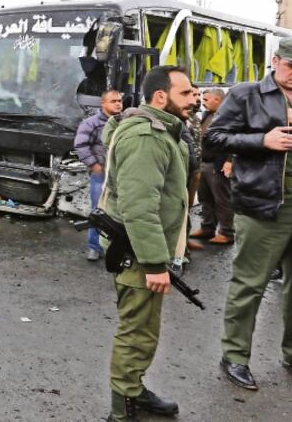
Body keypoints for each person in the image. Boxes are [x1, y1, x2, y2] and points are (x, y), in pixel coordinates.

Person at [206, 37, 292, 390]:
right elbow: (213, 139)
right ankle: (235, 355)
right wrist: (261, 141)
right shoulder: (246, 94)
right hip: (263, 200)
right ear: (275, 61)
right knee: (250, 282)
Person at [102, 65, 194, 421]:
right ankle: (122, 410)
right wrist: (155, 263)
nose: (193, 99)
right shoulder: (147, 136)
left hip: (143, 248)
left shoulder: (162, 130)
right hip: (140, 253)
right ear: (160, 96)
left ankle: (134, 390)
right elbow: (139, 206)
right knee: (136, 333)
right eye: (185, 93)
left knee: (144, 329)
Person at [74, 90, 124, 261]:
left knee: (120, 211)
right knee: (98, 211)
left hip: (120, 175)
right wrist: (94, 165)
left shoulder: (125, 122)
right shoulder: (91, 123)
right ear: (103, 103)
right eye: (113, 101)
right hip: (101, 175)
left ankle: (115, 247)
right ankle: (94, 247)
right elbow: (80, 145)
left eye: (120, 101)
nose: (118, 104)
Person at [189, 88, 234, 247]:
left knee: (222, 199)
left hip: (218, 164)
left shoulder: (229, 117)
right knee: (205, 198)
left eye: (206, 99)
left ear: (218, 99)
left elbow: (233, 140)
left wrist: (229, 160)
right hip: (204, 162)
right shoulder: (207, 115)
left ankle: (226, 233)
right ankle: (207, 228)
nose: (203, 102)